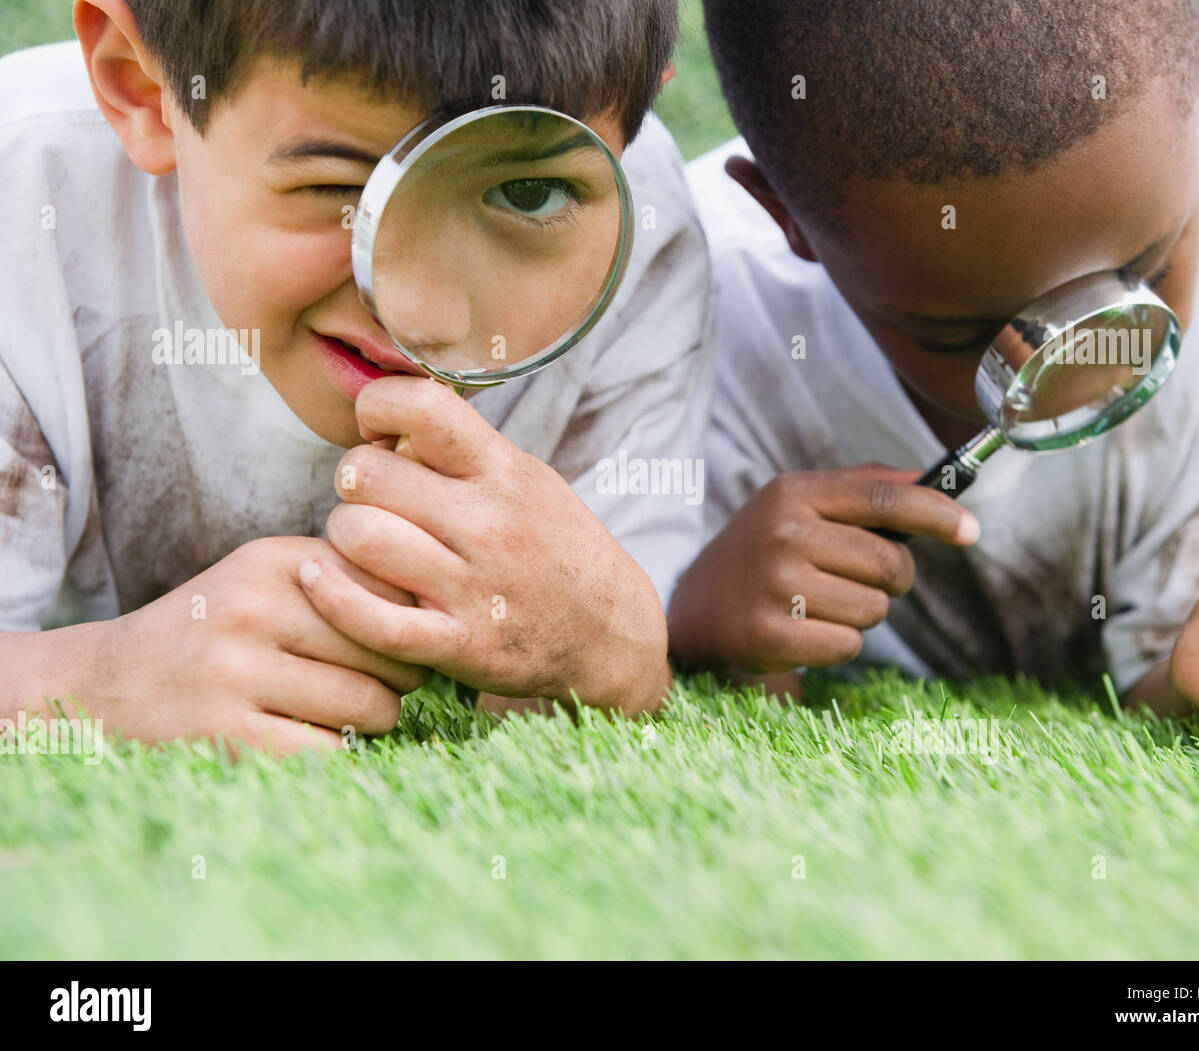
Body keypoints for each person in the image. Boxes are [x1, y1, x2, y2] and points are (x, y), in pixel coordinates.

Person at [0, 0, 710, 752]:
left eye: (527, 194)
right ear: (141, 88)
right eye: (340, 192)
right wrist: (90, 680)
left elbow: (614, 671)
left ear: (636, 114)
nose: (424, 319)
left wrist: (610, 653)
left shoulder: (643, 229)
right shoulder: (24, 191)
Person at [671, 0, 1199, 730]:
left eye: (1144, 277)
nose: (1081, 373)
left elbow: (1190, 668)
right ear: (784, 216)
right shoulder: (690, 311)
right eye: (965, 337)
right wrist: (698, 620)